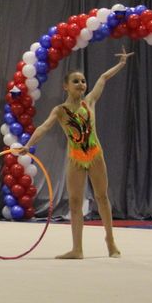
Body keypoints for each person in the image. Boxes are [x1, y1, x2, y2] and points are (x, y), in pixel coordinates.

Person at [16, 48, 132, 259]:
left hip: (95, 155)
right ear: (66, 86)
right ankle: (77, 249)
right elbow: (43, 127)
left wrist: (121, 64)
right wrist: (28, 145)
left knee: (102, 197)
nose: (81, 84)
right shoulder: (60, 110)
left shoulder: (90, 102)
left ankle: (110, 239)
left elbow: (103, 78)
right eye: (76, 81)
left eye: (83, 81)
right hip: (76, 160)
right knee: (75, 202)